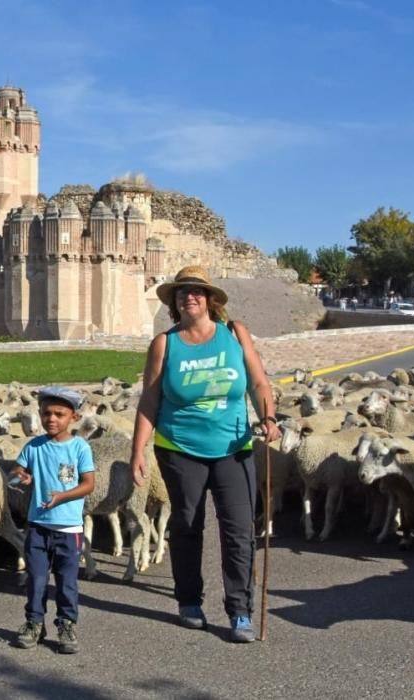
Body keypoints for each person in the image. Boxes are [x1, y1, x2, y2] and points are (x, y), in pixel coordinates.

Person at [130, 265, 281, 643]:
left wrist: (269, 416)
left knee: (239, 529)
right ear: (174, 303)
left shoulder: (234, 334)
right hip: (179, 447)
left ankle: (240, 609)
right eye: (182, 293)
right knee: (186, 525)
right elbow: (150, 398)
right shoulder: (166, 344)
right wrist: (138, 449)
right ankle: (188, 601)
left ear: (211, 300)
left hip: (234, 446)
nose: (190, 297)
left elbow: (259, 381)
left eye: (197, 291)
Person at [10, 386, 95, 654]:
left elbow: (88, 484)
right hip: (38, 526)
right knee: (35, 578)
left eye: (60, 414)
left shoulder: (80, 447)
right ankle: (34, 622)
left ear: (74, 417)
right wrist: (20, 476)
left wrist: (63, 497)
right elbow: (18, 468)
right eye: (47, 413)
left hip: (68, 528)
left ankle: (67, 623)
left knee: (66, 580)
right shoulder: (33, 446)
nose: (52, 419)